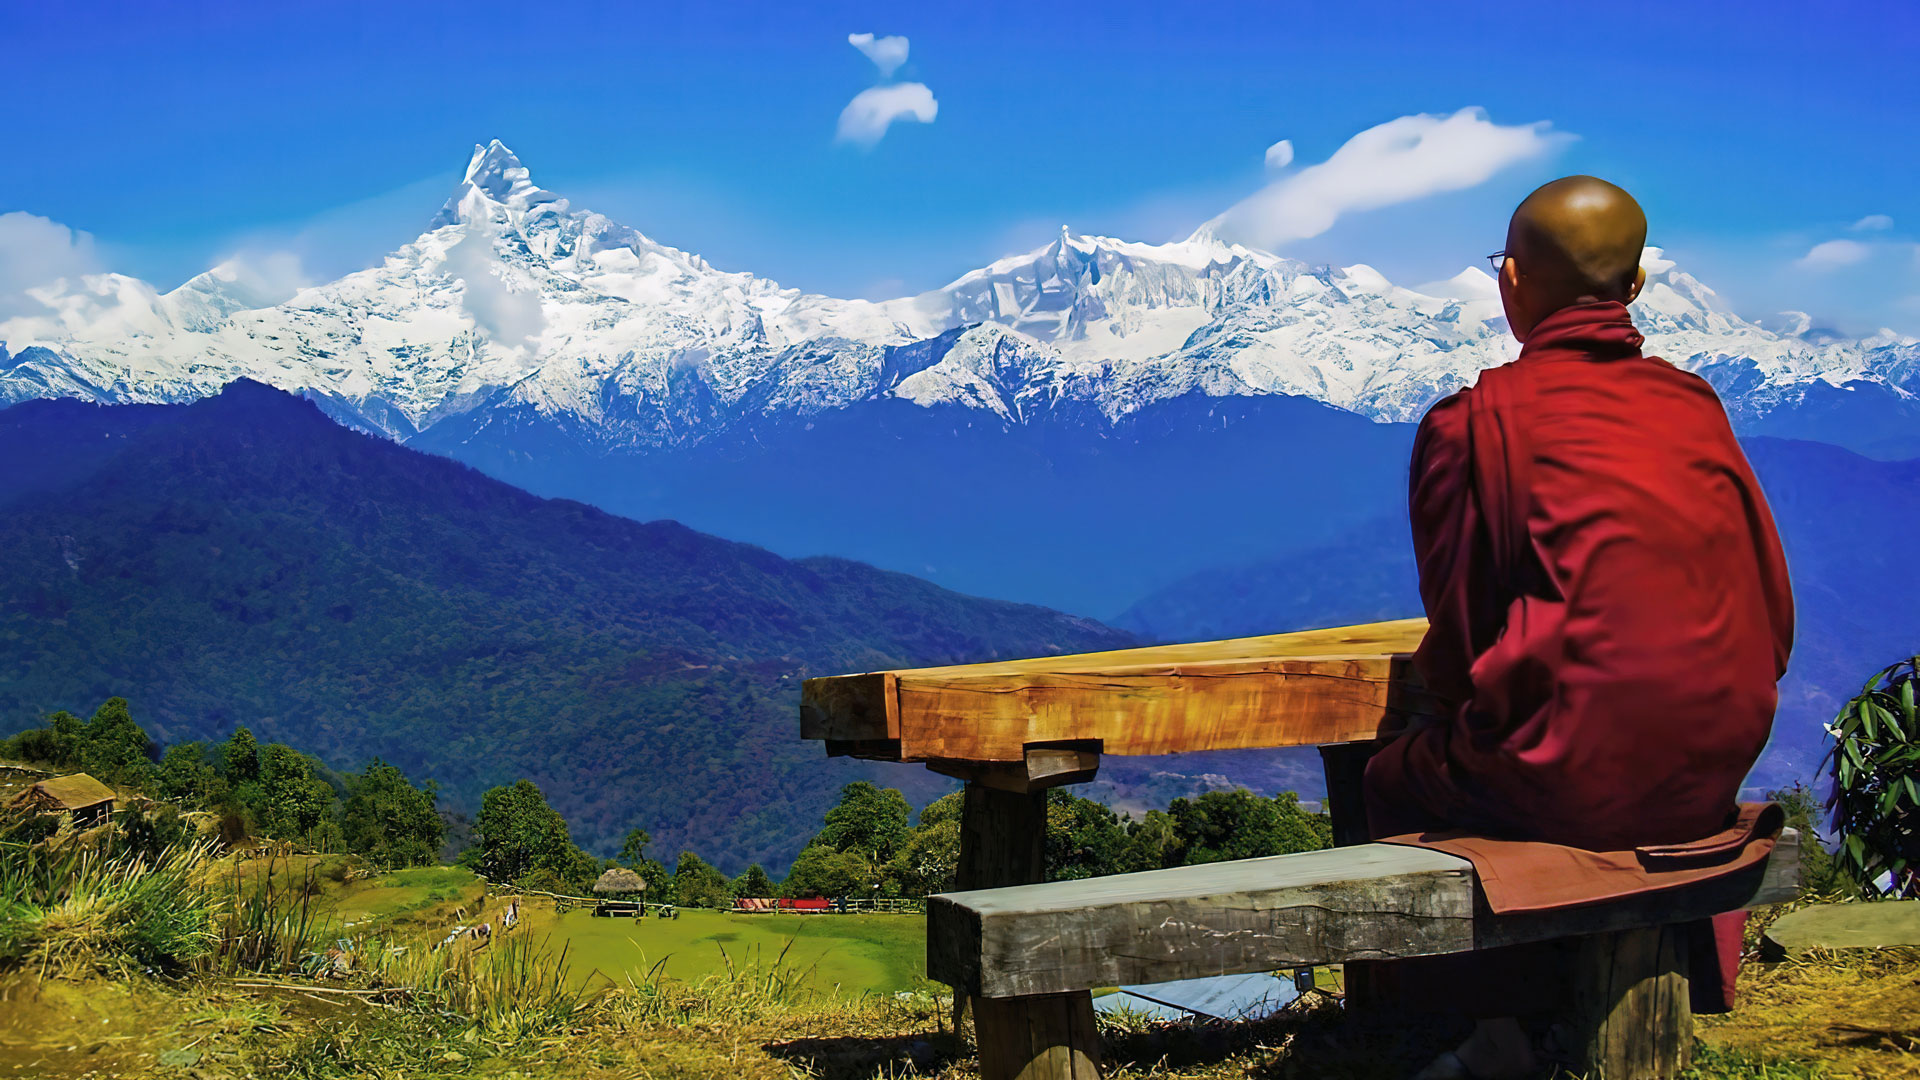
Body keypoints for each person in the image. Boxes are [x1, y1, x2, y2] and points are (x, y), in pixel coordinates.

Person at [1363, 176, 1795, 1080]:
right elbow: (1772, 609)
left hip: (1563, 771)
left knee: (1398, 776)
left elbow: (1465, 626)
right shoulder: (1696, 408)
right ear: (1636, 288)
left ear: (1509, 281)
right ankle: (1567, 1017)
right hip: (1711, 762)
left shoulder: (1471, 424)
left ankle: (1488, 1036)